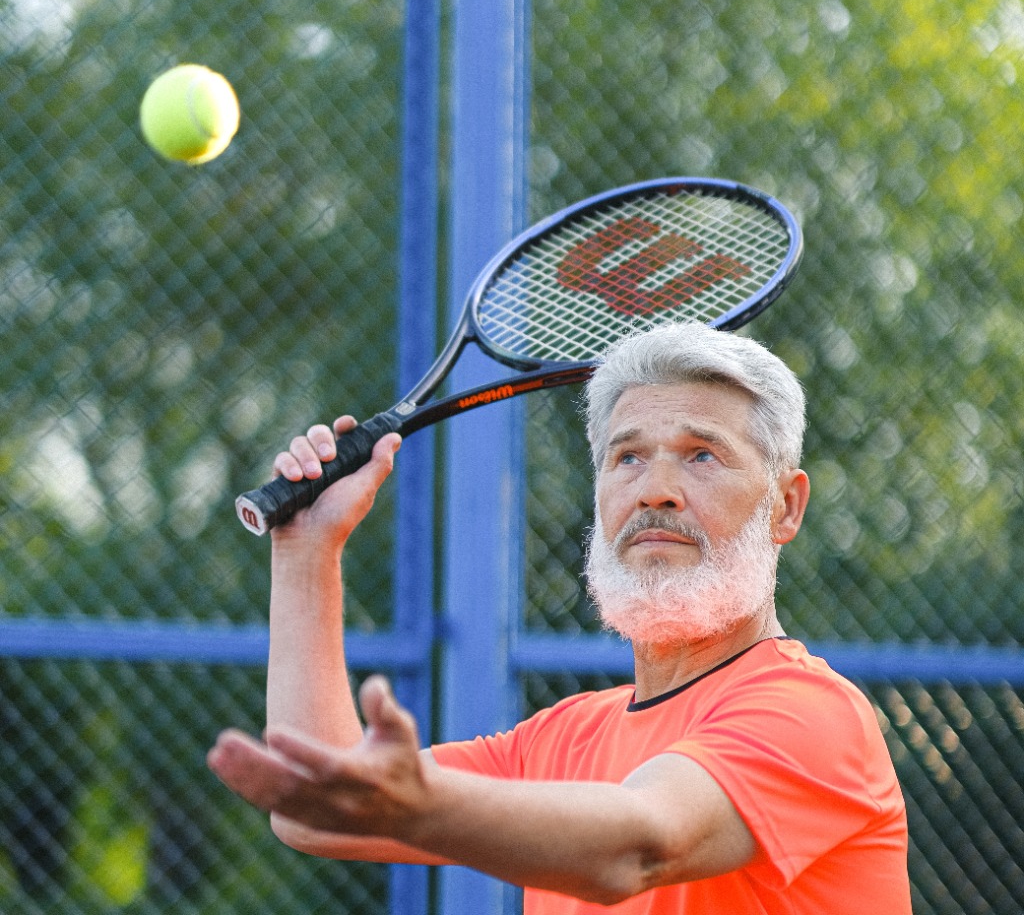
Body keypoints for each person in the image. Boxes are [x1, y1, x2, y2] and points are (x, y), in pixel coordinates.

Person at [208, 321, 912, 914]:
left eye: (702, 455)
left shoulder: (813, 714)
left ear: (786, 506)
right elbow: (316, 809)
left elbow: (636, 845)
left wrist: (414, 802)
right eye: (627, 457)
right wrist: (305, 553)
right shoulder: (563, 741)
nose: (656, 491)